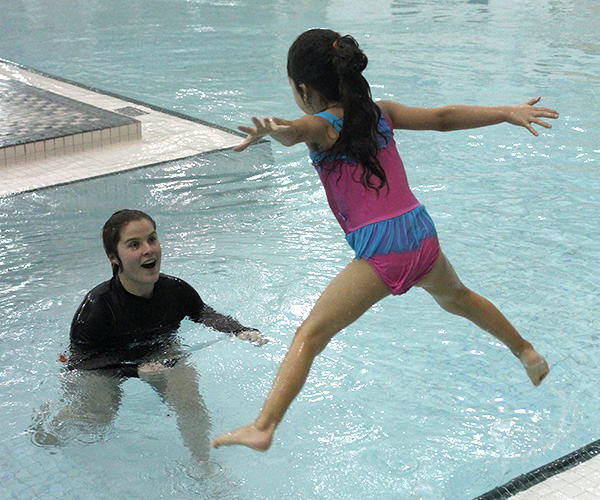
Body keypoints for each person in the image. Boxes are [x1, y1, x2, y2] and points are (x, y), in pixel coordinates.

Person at [211, 28, 557, 452]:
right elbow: (444, 118)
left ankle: (264, 425)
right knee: (458, 298)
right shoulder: (381, 113)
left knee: (310, 335)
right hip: (419, 232)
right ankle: (525, 351)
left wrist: (278, 132)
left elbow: (299, 130)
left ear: (303, 89)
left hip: (383, 249)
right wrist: (505, 112)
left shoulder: (323, 125)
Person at [33, 209, 265, 461]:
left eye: (152, 239)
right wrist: (134, 369)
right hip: (104, 364)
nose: (148, 249)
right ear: (114, 257)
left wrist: (240, 330)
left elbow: (204, 313)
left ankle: (203, 465)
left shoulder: (175, 290)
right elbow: (83, 362)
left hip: (159, 351)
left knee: (189, 401)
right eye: (134, 244)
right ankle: (55, 417)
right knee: (97, 422)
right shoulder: (97, 307)